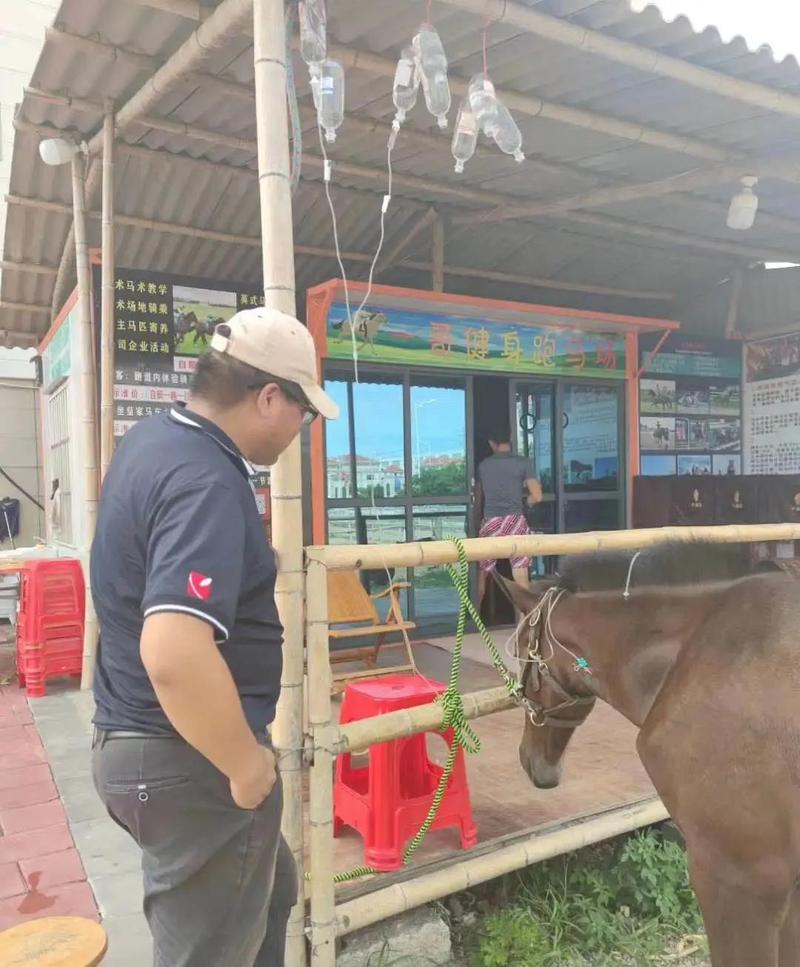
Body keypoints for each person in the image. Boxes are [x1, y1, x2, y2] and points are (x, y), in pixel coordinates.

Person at [90, 307, 339, 967]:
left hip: (144, 742)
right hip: (187, 759)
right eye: (302, 412)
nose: (300, 429)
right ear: (267, 398)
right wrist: (244, 761)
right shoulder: (207, 480)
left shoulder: (155, 441)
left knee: (272, 888)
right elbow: (172, 649)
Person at [475, 427, 543, 610]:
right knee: (521, 577)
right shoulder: (523, 463)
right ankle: (525, 622)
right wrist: (525, 502)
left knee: (483, 573)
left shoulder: (484, 466)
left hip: (491, 521)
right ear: (510, 439)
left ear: (491, 443)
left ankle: (473, 620)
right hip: (515, 521)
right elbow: (537, 496)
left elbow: (479, 498)